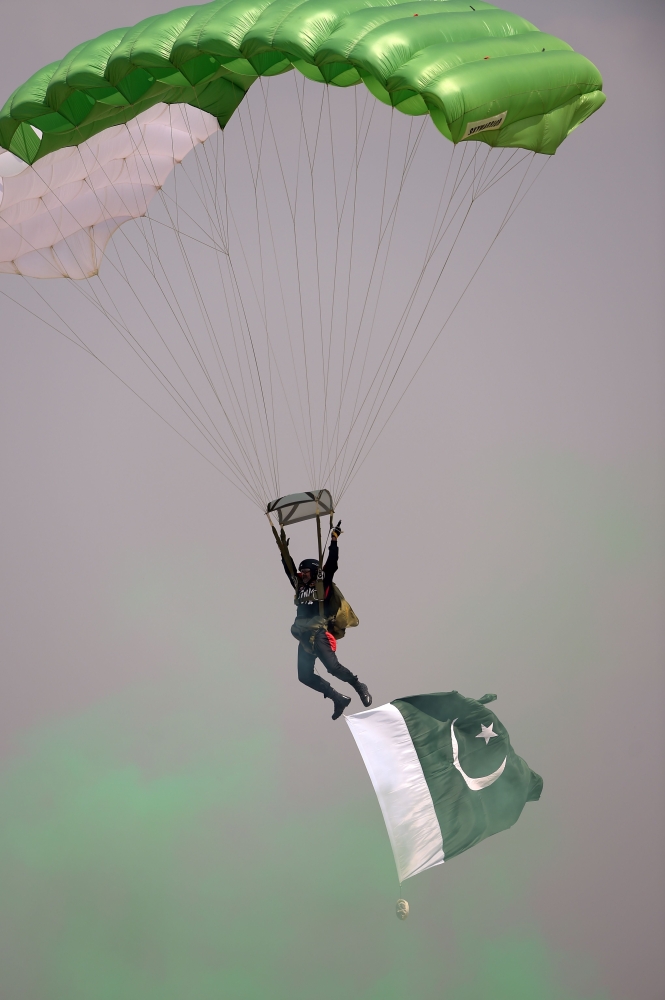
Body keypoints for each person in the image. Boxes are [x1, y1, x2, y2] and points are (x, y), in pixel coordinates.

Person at [280, 521, 372, 720]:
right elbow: (289, 570)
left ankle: (358, 685)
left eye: (305, 572)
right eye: (301, 572)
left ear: (313, 572)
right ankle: (337, 698)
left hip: (319, 633)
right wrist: (283, 550)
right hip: (303, 636)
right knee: (304, 676)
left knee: (333, 668)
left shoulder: (323, 584)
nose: (302, 575)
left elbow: (332, 564)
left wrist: (334, 541)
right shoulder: (300, 587)